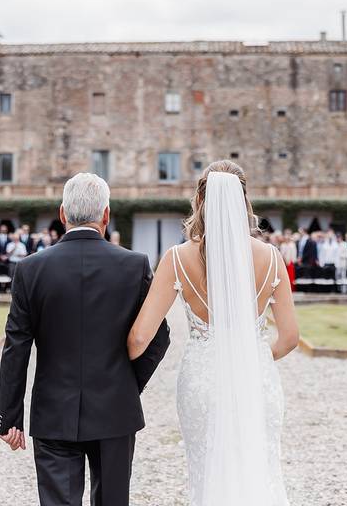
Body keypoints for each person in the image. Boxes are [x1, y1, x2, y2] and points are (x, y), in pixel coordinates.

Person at [128, 160, 299, 505]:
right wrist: (253, 355)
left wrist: (118, 374)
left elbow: (139, 338)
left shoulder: (177, 258)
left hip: (202, 380)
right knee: (260, 469)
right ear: (244, 202)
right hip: (256, 378)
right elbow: (290, 337)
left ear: (199, 200)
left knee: (206, 472)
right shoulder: (272, 257)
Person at [0, 173, 170, 506]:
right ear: (106, 215)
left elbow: (16, 345)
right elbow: (158, 337)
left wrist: (8, 416)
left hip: (52, 411)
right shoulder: (134, 265)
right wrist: (129, 383)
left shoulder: (30, 269)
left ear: (63, 214)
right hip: (116, 407)